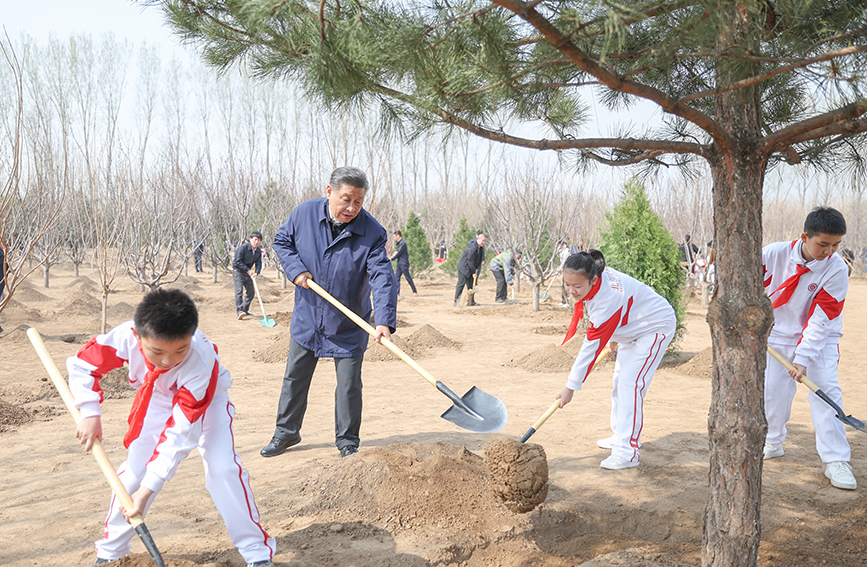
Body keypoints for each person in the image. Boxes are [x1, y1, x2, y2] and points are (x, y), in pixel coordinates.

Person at [66, 289, 276, 567]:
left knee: (223, 468)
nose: (167, 360)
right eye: (156, 351)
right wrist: (90, 412)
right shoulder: (123, 337)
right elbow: (83, 365)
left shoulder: (201, 360)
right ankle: (111, 552)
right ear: (138, 335)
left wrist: (149, 491)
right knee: (133, 474)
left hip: (206, 400)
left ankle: (256, 553)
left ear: (191, 336)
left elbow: (181, 432)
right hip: (156, 398)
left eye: (180, 350)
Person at [261, 167, 396, 459]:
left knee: (349, 385)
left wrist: (383, 321)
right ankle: (286, 432)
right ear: (329, 191)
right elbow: (282, 242)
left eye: (358, 202)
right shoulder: (303, 214)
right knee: (295, 378)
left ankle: (348, 441)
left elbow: (382, 277)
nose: (351, 208)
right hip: (308, 316)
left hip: (348, 321)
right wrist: (296, 270)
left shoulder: (372, 232)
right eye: (345, 199)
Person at [762, 206, 856, 490]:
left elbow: (823, 317)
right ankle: (772, 441)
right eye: (823, 244)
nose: (829, 251)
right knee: (773, 394)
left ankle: (837, 460)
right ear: (805, 236)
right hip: (777, 334)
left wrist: (803, 358)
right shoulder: (772, 254)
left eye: (836, 245)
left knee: (825, 394)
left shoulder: (837, 268)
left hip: (820, 339)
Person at [555, 250, 676, 470]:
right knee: (620, 380)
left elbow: (590, 349)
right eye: (567, 284)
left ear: (593, 279)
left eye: (577, 286)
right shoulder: (596, 276)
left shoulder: (608, 295)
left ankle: (628, 451)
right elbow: (609, 318)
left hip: (655, 326)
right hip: (632, 329)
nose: (571, 291)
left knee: (631, 384)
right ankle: (620, 435)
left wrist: (570, 387)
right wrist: (610, 335)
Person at [233, 231, 263, 320]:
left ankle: (244, 310)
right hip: (238, 272)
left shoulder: (258, 251)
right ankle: (239, 311)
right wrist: (248, 270)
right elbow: (237, 261)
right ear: (250, 239)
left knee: (251, 292)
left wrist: (256, 272)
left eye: (259, 240)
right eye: (255, 240)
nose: (257, 242)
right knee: (239, 291)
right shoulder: (243, 248)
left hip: (248, 273)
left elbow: (259, 263)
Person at [454, 232, 487, 307]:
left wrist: (476, 271)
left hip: (471, 268)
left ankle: (471, 301)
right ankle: (456, 301)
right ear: (478, 239)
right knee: (461, 284)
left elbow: (479, 260)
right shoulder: (472, 248)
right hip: (464, 268)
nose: (484, 243)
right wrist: (473, 272)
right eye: (483, 241)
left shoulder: (481, 248)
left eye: (485, 241)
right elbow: (470, 261)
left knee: (471, 286)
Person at [390, 230, 417, 297]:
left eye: (394, 237)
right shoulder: (399, 243)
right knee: (396, 278)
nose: (394, 238)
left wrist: (392, 259)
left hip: (404, 263)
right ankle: (397, 293)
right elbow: (399, 252)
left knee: (408, 277)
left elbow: (399, 253)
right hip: (399, 263)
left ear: (398, 235)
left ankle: (414, 291)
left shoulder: (403, 243)